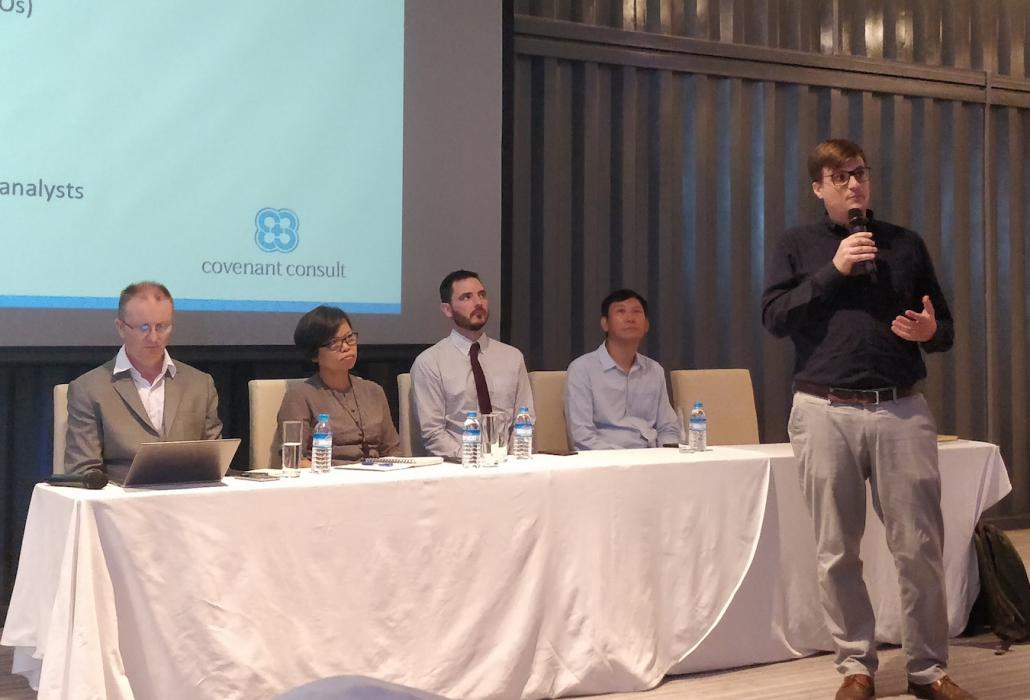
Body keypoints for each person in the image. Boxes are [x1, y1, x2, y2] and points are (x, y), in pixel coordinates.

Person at [762, 139, 970, 700]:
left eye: (860, 174)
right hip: (823, 411)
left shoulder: (904, 244)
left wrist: (932, 334)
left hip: (901, 409)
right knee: (837, 550)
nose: (854, 185)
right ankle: (856, 667)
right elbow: (775, 318)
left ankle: (928, 670)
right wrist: (833, 270)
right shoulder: (797, 245)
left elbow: (943, 326)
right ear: (818, 187)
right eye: (840, 176)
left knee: (920, 546)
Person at [65, 281, 222, 479]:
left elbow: (214, 462)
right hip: (121, 504)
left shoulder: (200, 384)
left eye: (162, 327)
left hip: (188, 501)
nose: (154, 338)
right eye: (144, 327)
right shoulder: (88, 389)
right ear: (121, 328)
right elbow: (84, 472)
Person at [410, 270, 533, 458]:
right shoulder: (430, 363)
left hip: (509, 465)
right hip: (458, 467)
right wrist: (474, 459)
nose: (478, 303)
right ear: (447, 309)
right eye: (466, 297)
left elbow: (524, 419)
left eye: (482, 295)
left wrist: (511, 459)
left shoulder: (512, 357)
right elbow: (433, 433)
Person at [273, 305, 401, 464]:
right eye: (334, 342)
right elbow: (294, 458)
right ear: (314, 354)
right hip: (328, 481)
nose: (346, 347)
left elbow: (393, 450)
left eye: (349, 338)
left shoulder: (374, 391)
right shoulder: (300, 396)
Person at [564, 289, 680, 450]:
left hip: (652, 459)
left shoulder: (654, 370)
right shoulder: (582, 369)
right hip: (605, 463)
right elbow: (582, 437)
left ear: (646, 325)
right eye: (621, 311)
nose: (630, 318)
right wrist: (626, 463)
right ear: (605, 323)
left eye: (636, 312)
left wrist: (668, 457)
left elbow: (668, 427)